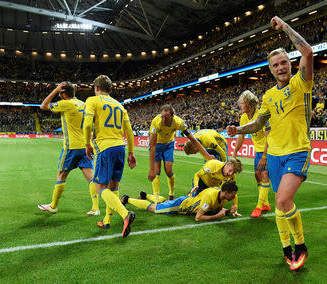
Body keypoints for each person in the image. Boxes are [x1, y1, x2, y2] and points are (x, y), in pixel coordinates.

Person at [227, 16, 313, 270]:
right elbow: (258, 124)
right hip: (274, 154)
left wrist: (285, 27)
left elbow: (307, 51)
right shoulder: (268, 95)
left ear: (290, 64)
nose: (281, 67)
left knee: (284, 200)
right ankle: (286, 248)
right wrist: (238, 128)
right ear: (271, 69)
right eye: (275, 65)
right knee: (278, 203)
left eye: (284, 62)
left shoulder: (301, 83)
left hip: (297, 151)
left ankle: (300, 244)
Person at [83, 75, 137, 238]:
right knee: (113, 186)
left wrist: (87, 144)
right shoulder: (120, 106)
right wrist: (131, 152)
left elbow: (86, 124)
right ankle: (107, 220)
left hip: (105, 147)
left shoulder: (93, 100)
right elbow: (129, 131)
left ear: (97, 88)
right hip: (120, 147)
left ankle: (125, 214)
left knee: (100, 187)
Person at [37, 82, 99, 216]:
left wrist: (55, 90)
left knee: (61, 174)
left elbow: (43, 106)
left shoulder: (66, 104)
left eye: (60, 93)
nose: (59, 95)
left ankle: (53, 206)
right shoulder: (83, 103)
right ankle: (95, 208)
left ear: (64, 94)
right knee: (91, 177)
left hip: (72, 147)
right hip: (86, 146)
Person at [148, 105, 213, 202]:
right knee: (157, 170)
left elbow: (194, 140)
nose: (163, 120)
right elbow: (152, 145)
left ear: (172, 116)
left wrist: (207, 155)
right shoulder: (156, 122)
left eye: (166, 117)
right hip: (157, 145)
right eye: (162, 117)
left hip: (168, 145)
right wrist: (151, 169)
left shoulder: (179, 122)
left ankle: (171, 193)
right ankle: (156, 199)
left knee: (169, 170)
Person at [232, 90, 271, 218]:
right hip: (258, 150)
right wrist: (234, 153)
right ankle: (265, 203)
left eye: (242, 103)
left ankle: (259, 207)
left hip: (269, 149)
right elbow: (241, 136)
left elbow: (269, 137)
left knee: (264, 175)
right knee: (257, 176)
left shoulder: (261, 115)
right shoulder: (244, 117)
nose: (240, 106)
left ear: (249, 104)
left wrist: (264, 156)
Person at [121, 181, 239, 221]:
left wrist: (228, 211)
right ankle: (128, 199)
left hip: (187, 200)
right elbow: (198, 218)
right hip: (181, 206)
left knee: (163, 203)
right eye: (233, 195)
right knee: (155, 209)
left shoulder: (222, 198)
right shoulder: (210, 196)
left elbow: (217, 209)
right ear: (226, 192)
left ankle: (145, 195)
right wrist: (217, 217)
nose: (234, 197)